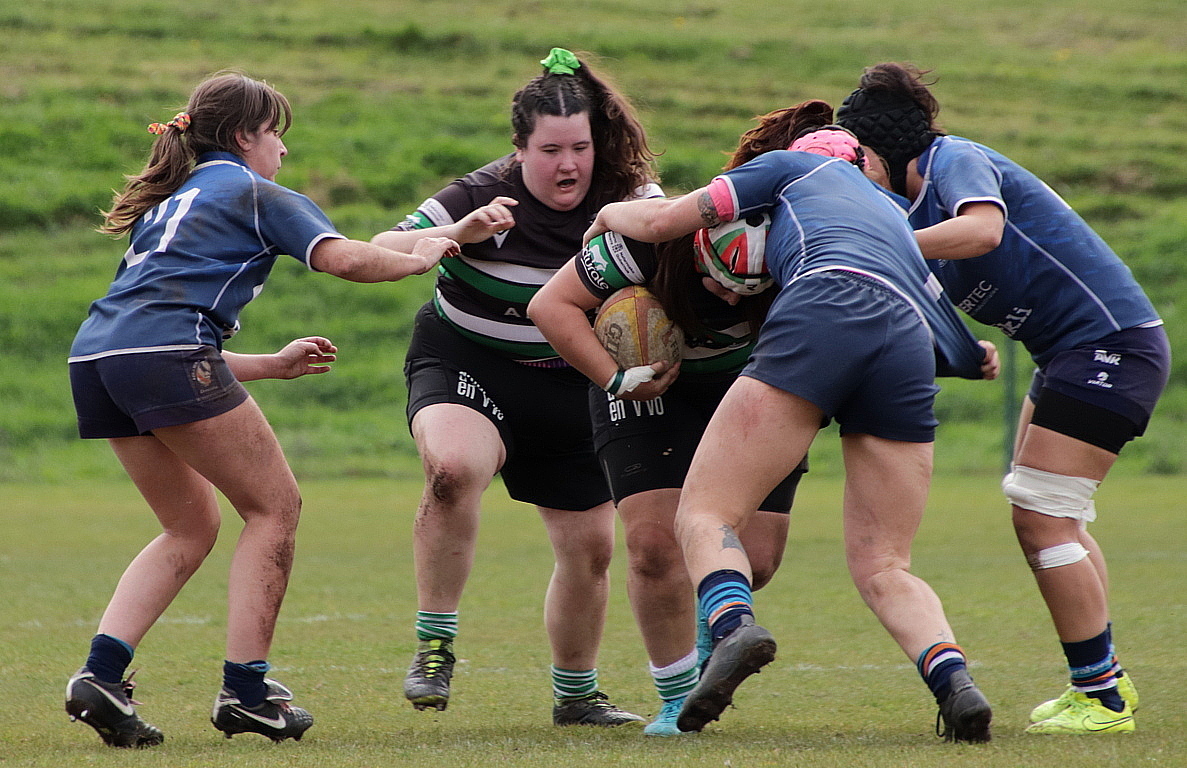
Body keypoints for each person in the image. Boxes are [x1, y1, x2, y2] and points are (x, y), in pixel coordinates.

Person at [64, 71, 457, 748]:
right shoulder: (252, 190)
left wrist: (270, 365)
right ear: (245, 136)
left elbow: (146, 334)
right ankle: (246, 690)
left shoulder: (174, 198)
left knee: (189, 528)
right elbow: (342, 259)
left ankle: (101, 674)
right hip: (161, 355)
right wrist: (421, 256)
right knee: (275, 507)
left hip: (96, 362)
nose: (282, 150)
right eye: (277, 133)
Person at [582, 119, 1002, 742]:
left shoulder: (786, 171)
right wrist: (975, 357)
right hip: (907, 342)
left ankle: (731, 627)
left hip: (824, 306)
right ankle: (955, 684)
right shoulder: (892, 213)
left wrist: (610, 214)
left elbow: (662, 222)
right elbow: (945, 329)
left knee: (704, 514)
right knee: (886, 562)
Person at [836, 62, 1170, 735]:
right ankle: (1107, 682)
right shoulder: (912, 210)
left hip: (1108, 347)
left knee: (1040, 515)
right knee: (1054, 515)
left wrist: (880, 246)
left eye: (855, 159)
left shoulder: (951, 160)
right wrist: (963, 352)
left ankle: (1099, 696)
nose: (851, 175)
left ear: (880, 151)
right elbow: (922, 299)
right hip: (1070, 355)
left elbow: (984, 230)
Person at [527, 100, 846, 737]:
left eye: (745, 288)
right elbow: (551, 305)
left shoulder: (803, 250)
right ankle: (677, 700)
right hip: (644, 389)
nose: (728, 296)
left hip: (748, 386)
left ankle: (713, 654)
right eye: (720, 278)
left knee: (754, 559)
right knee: (652, 546)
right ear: (703, 242)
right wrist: (616, 376)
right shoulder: (652, 240)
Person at [370, 48, 661, 726]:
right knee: (452, 469)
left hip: (574, 383)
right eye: (550, 149)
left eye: (580, 148)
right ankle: (435, 648)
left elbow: (679, 235)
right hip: (470, 361)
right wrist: (454, 233)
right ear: (518, 150)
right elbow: (385, 245)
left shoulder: (627, 195)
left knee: (589, 550)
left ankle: (575, 695)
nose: (568, 165)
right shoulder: (479, 193)